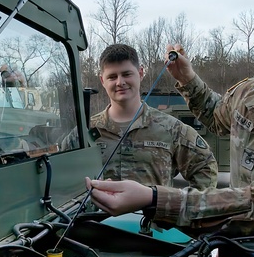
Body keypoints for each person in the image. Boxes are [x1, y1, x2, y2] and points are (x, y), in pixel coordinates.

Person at [87, 2, 254, 236]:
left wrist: (153, 199)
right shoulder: (248, 94)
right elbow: (217, 115)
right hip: (236, 245)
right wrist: (187, 78)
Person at [89, 43, 218, 190]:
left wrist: (180, 207)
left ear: (141, 73)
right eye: (112, 77)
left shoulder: (171, 129)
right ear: (102, 81)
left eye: (126, 74)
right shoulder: (86, 132)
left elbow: (205, 167)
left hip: (153, 214)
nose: (120, 82)